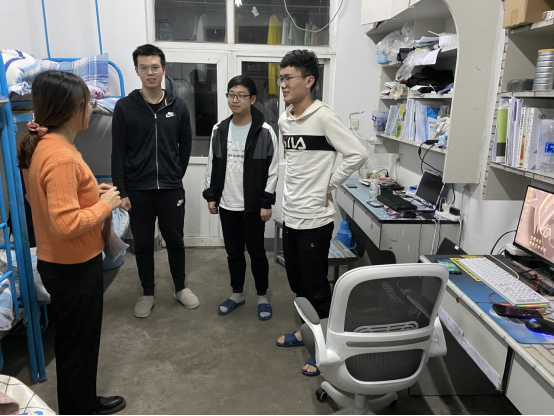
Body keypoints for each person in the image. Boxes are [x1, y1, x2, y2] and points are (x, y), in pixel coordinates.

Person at [18, 70, 126, 415]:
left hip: (60, 262)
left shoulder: (48, 147)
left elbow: (47, 201)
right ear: (71, 108)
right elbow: (65, 223)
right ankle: (80, 408)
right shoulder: (61, 156)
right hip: (74, 265)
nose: (92, 108)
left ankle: (81, 402)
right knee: (79, 344)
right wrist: (105, 205)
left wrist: (93, 194)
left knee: (74, 342)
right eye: (88, 102)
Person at [274, 50, 368, 375]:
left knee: (316, 289)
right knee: (297, 283)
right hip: (291, 215)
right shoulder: (285, 119)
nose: (283, 84)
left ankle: (325, 346)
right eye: (281, 78)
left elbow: (357, 153)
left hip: (315, 220)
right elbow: (294, 165)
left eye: (289, 78)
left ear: (309, 80)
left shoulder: (324, 117)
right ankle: (306, 333)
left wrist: (331, 182)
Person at [112, 44, 199, 318]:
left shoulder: (178, 106)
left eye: (154, 67)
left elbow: (185, 146)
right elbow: (118, 152)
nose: (150, 72)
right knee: (143, 243)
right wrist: (122, 191)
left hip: (171, 189)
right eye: (144, 67)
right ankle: (147, 292)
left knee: (175, 240)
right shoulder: (125, 107)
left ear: (163, 69)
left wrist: (173, 175)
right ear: (136, 70)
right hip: (138, 189)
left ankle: (180, 288)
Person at [203, 75, 279, 320]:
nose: (235, 100)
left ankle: (262, 296)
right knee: (233, 253)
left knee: (257, 253)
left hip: (253, 207)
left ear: (252, 99)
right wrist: (211, 195)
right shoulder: (219, 129)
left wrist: (266, 202)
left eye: (241, 95)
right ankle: (237, 294)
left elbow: (273, 170)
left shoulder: (264, 132)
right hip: (227, 204)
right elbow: (212, 164)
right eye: (231, 95)